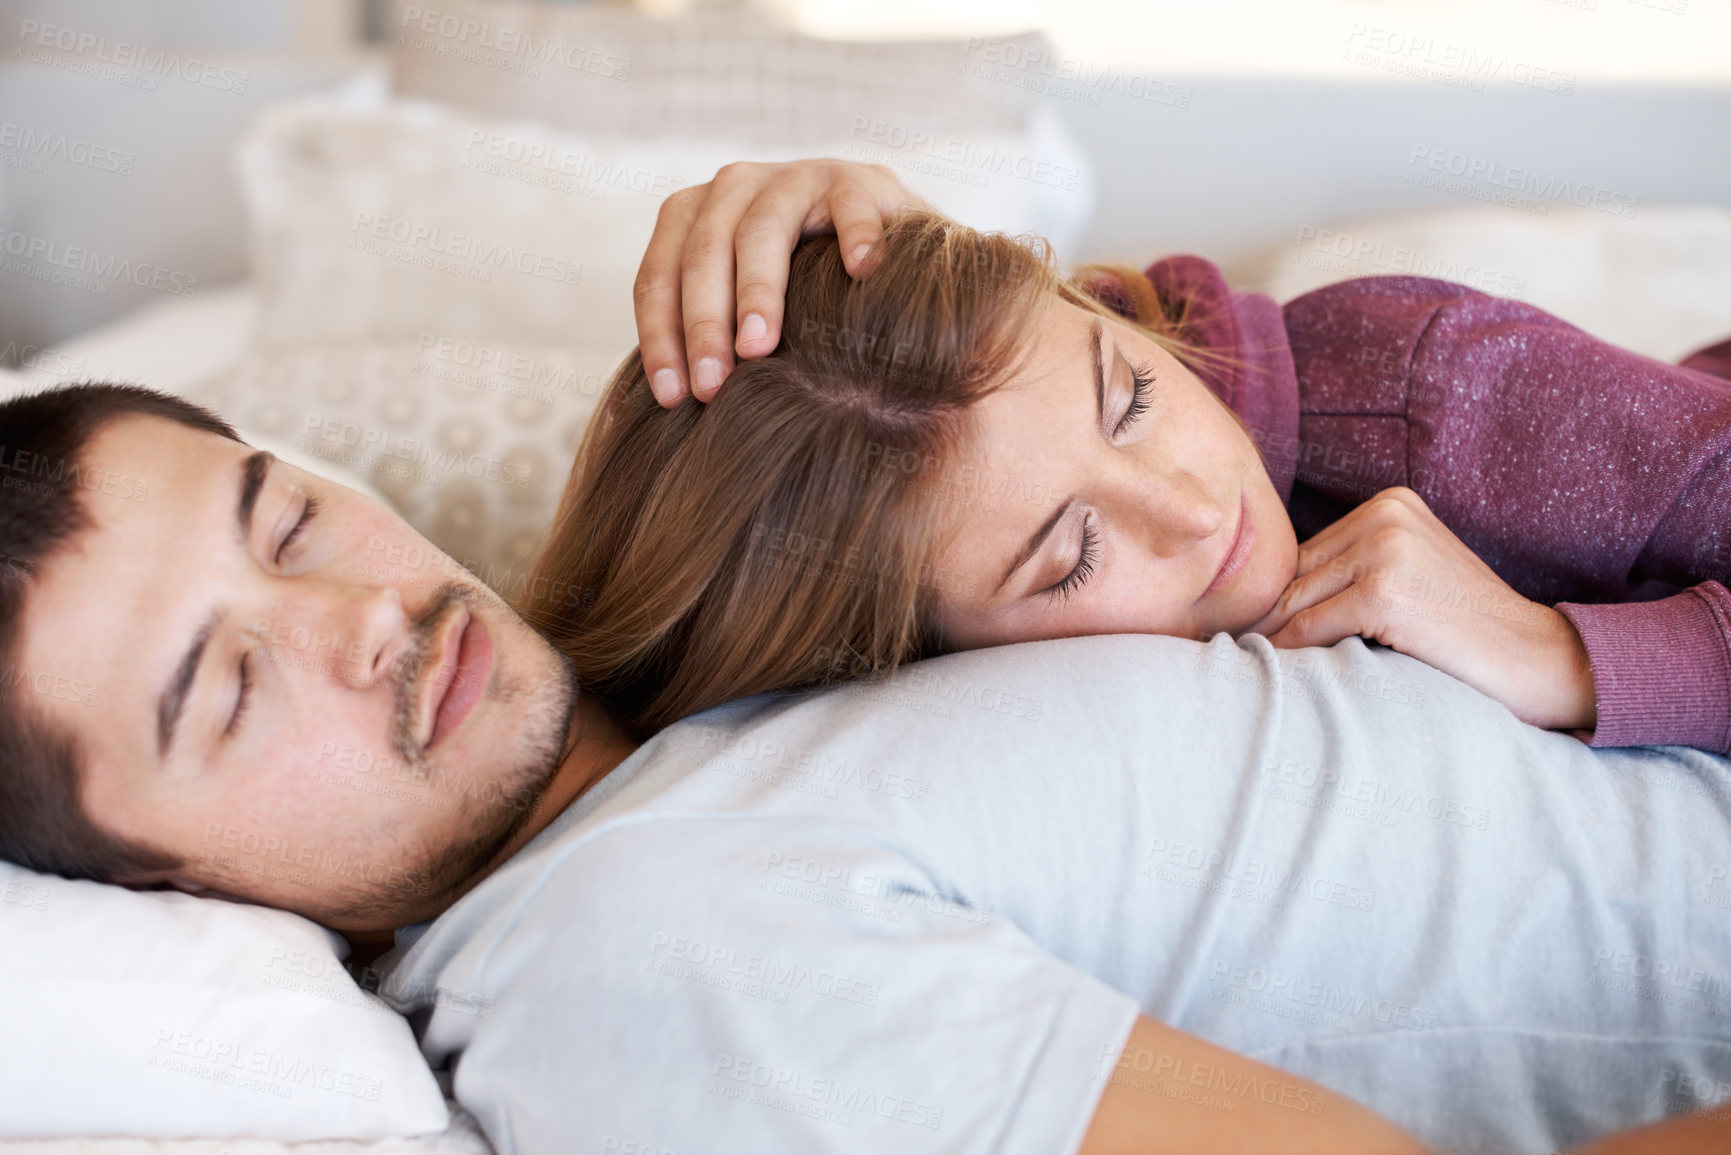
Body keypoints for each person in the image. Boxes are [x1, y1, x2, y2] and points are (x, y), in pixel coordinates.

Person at [0, 159, 1726, 1153]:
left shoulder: (707, 714)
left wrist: (892, 271)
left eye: (291, 526)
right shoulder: (626, 961)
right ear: (167, 893)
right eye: (229, 689)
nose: (361, 623)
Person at [524, 171, 1731, 748]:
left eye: (1136, 398)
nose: (1195, 515)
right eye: (1076, 554)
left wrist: (1562, 655)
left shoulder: (1430, 384)